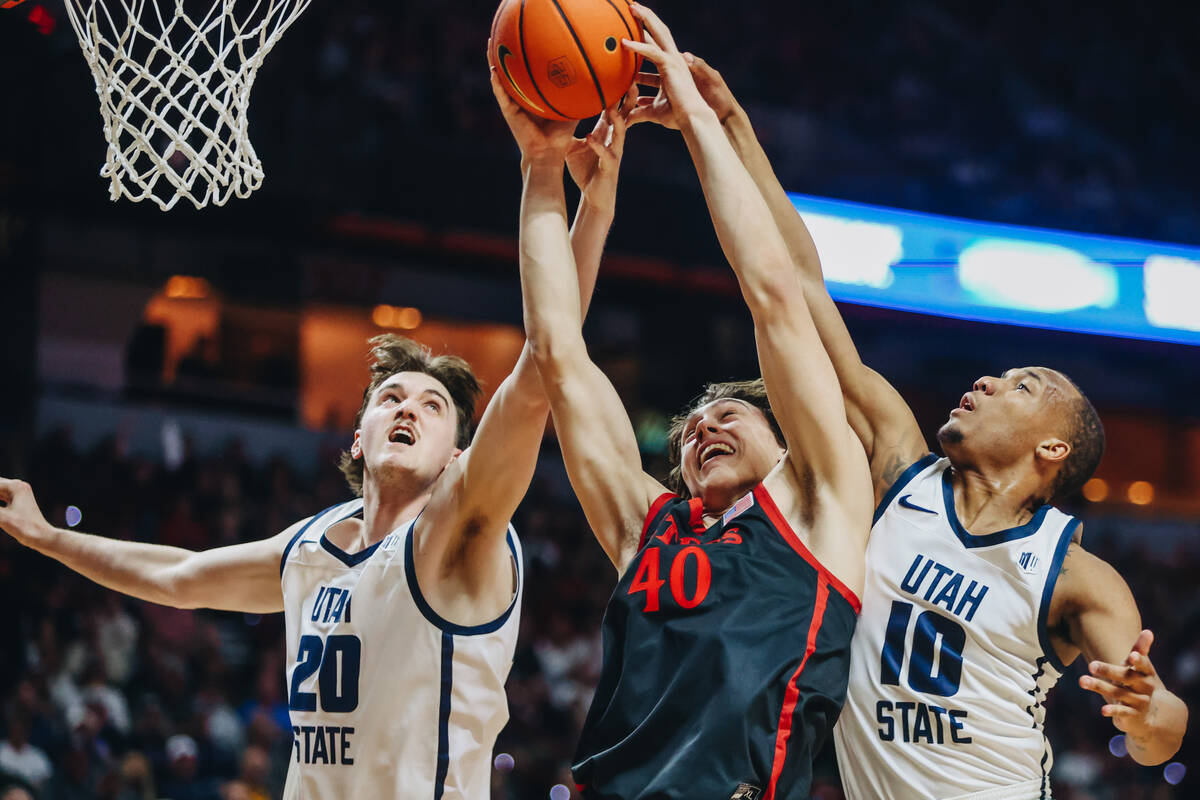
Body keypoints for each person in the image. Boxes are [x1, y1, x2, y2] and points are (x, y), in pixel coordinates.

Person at [0, 97, 631, 798]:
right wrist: (47, 538)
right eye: (390, 399)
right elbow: (177, 575)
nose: (407, 409)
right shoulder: (313, 546)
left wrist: (560, 184)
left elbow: (545, 364)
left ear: (459, 457)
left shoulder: (460, 533)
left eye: (433, 406)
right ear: (356, 437)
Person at [633, 49, 1190, 799]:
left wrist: (1150, 709)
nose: (987, 380)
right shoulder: (900, 469)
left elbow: (1158, 737)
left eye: (1022, 386)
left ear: (1053, 448)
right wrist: (726, 123)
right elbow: (799, 284)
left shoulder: (1076, 575)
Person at [491, 5, 873, 798]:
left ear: (784, 442)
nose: (701, 427)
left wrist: (695, 115)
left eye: (727, 414)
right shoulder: (647, 525)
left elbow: (772, 293)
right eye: (690, 427)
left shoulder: (821, 502)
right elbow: (556, 350)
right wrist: (542, 169)